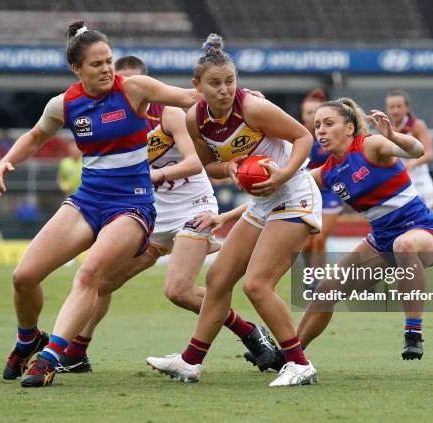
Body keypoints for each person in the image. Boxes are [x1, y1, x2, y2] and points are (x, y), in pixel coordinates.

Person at [0, 20, 204, 388]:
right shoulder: (64, 104)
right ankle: (29, 339)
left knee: (89, 274)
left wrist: (239, 97)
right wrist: (7, 160)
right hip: (88, 200)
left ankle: (50, 359)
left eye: (109, 60)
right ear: (77, 70)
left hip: (132, 205)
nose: (107, 68)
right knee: (23, 277)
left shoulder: (134, 88)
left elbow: (190, 98)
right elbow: (35, 135)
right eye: (97, 64)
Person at [56, 56, 278, 374]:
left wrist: (153, 177)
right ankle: (76, 353)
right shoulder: (111, 121)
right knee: (101, 281)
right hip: (149, 214)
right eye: (120, 83)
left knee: (179, 291)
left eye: (133, 83)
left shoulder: (170, 113)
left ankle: (251, 335)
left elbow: (193, 162)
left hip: (193, 206)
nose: (125, 89)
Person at [146, 34, 322, 387]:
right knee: (218, 279)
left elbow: (304, 137)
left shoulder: (253, 108)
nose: (225, 90)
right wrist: (228, 169)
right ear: (196, 86)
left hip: (293, 193)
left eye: (230, 81)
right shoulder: (195, 119)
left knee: (257, 285)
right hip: (261, 202)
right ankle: (190, 362)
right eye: (215, 83)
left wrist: (282, 174)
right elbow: (206, 165)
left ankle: (299, 363)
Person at [296, 98, 433, 360]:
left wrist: (394, 137)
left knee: (405, 245)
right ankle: (291, 353)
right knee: (326, 289)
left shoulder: (371, 145)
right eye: (317, 124)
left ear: (350, 128)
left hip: (423, 231)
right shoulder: (327, 173)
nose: (320, 130)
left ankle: (413, 332)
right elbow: (283, 194)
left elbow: (418, 151)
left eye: (329, 123)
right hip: (381, 241)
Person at [385, 90, 433, 292]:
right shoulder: (385, 128)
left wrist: (412, 163)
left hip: (422, 187)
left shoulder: (416, 125)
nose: (395, 110)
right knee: (398, 237)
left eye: (399, 106)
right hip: (401, 190)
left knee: (431, 234)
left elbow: (430, 153)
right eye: (391, 106)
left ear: (406, 107)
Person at [300, 89, 343, 275]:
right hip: (305, 192)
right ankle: (310, 275)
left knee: (319, 239)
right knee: (306, 243)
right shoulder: (296, 135)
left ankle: (316, 283)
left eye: (316, 112)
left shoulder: (331, 136)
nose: (313, 117)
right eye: (309, 113)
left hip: (329, 192)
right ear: (303, 115)